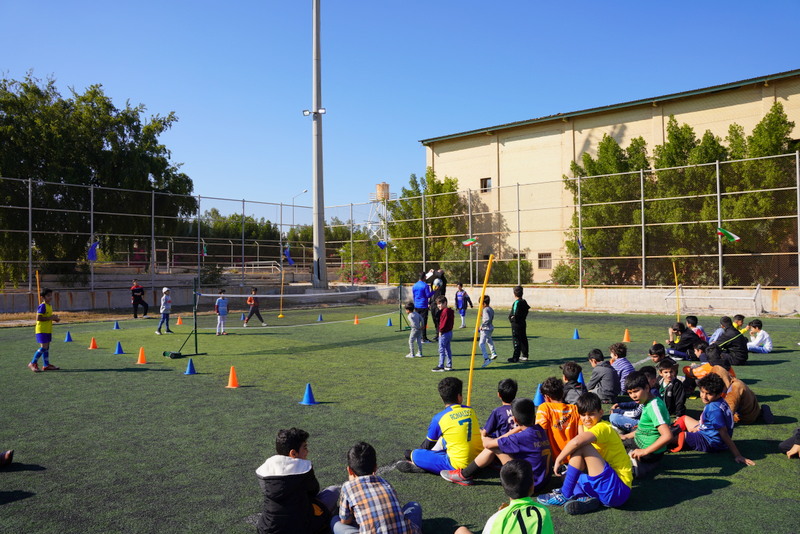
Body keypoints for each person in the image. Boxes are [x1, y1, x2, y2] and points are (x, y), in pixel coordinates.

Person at [536, 392, 632, 516]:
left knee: (582, 446)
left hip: (618, 490)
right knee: (568, 474)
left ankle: (565, 495)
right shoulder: (588, 426)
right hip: (604, 492)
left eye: (591, 414)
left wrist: (559, 459)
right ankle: (583, 498)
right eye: (583, 415)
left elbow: (576, 442)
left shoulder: (603, 427)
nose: (587, 419)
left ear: (601, 413)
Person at [440, 398, 552, 490]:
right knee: (500, 445)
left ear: (515, 419)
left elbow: (488, 445)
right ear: (534, 416)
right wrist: (515, 430)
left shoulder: (520, 437)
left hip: (528, 487)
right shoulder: (539, 429)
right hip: (544, 482)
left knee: (495, 447)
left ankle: (464, 475)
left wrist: (484, 437)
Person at [256, 427, 340, 534]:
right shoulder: (303, 469)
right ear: (293, 453)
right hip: (300, 527)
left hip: (266, 529)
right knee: (333, 491)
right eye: (304, 448)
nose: (307, 452)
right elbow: (314, 491)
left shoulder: (266, 470)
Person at [396, 377, 482, 475]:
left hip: (460, 466)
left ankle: (423, 465)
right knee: (445, 438)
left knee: (415, 454)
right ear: (459, 397)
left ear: (442, 398)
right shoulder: (470, 410)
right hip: (479, 460)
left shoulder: (439, 418)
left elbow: (428, 445)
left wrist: (413, 454)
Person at [331, 442, 422, 534]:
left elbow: (345, 521)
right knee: (414, 506)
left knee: (335, 522)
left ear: (349, 470)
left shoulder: (347, 487)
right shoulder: (385, 483)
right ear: (375, 468)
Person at [668, 373, 755, 465]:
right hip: (708, 433)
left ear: (718, 394)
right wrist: (700, 427)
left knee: (669, 437)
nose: (704, 396)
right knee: (684, 418)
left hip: (710, 442)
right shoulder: (719, 401)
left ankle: (664, 439)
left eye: (709, 394)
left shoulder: (714, 409)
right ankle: (671, 431)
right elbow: (711, 423)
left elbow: (723, 432)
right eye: (702, 392)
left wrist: (737, 455)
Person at [453, 459, 554, 534]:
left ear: (504, 486)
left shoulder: (497, 518)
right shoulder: (543, 511)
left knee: (461, 531)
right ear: (532, 485)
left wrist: (503, 514)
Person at [618, 371, 673, 478]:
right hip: (641, 442)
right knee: (616, 441)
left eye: (636, 391)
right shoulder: (647, 401)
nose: (633, 396)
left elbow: (667, 435)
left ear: (647, 388)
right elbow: (645, 428)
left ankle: (639, 466)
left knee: (612, 454)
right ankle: (640, 463)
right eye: (630, 393)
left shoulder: (654, 406)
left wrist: (644, 451)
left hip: (648, 451)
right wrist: (626, 436)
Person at [535, 377, 580, 459]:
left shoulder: (545, 407)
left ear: (547, 397)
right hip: (574, 457)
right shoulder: (575, 408)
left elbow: (540, 434)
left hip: (554, 458)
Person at [28, 288, 61, 372]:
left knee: (47, 347)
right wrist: (51, 317)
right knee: (44, 347)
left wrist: (54, 319)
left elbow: (47, 317)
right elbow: (38, 318)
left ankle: (46, 365)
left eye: (51, 295)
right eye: (48, 296)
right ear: (43, 297)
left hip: (47, 330)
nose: (50, 297)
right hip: (41, 330)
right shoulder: (42, 306)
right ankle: (32, 363)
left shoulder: (49, 306)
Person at [507, 286, 530, 363]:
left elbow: (514, 313)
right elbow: (527, 310)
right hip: (523, 322)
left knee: (516, 339)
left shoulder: (517, 302)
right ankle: (525, 355)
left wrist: (512, 319)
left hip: (516, 324)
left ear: (514, 294)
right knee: (523, 338)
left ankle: (515, 357)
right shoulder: (524, 301)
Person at [432, 296, 454, 372]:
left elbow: (443, 323)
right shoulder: (449, 311)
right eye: (438, 304)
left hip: (444, 333)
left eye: (440, 304)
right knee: (447, 349)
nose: (439, 306)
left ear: (445, 303)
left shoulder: (445, 311)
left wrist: (440, 331)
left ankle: (441, 365)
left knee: (441, 349)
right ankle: (449, 365)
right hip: (449, 332)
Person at [411, 273, 433, 342]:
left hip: (417, 306)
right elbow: (428, 295)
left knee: (417, 323)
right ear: (424, 277)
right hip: (423, 306)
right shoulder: (425, 285)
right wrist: (434, 291)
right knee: (423, 323)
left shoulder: (414, 285)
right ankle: (424, 338)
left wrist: (415, 304)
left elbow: (414, 296)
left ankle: (418, 337)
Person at [478, 295, 497, 367]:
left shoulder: (485, 309)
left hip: (486, 329)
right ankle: (493, 352)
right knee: (489, 340)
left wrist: (482, 326)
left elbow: (487, 319)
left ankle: (486, 358)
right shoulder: (490, 309)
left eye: (480, 304)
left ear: (484, 304)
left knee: (481, 343)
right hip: (490, 328)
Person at [429, 276, 445, 341]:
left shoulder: (441, 290)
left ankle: (440, 334)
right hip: (432, 307)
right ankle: (437, 334)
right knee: (435, 321)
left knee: (439, 321)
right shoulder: (433, 290)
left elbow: (443, 281)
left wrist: (438, 274)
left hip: (437, 307)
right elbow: (431, 297)